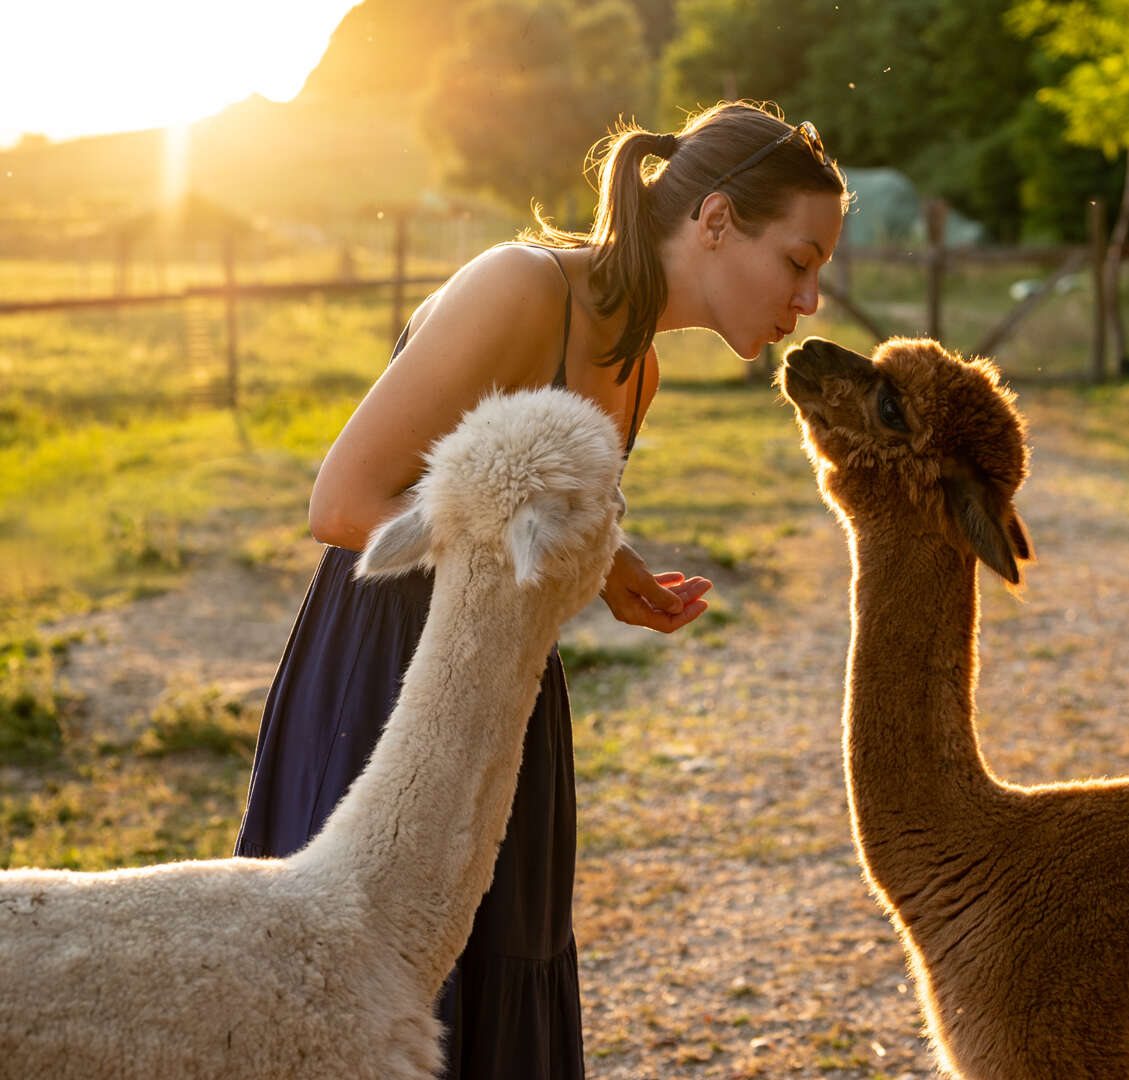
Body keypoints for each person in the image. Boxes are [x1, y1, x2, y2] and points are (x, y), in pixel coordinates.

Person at [234, 100, 848, 1078]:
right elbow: (346, 504)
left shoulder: (636, 371)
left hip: (509, 690)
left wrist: (607, 568)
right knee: (361, 996)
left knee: (503, 971)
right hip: (390, 674)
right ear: (717, 220)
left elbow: (509, 506)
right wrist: (576, 553)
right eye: (800, 262)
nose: (811, 298)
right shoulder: (520, 287)